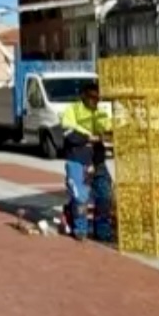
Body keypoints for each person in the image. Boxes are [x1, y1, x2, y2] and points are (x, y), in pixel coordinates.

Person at [59, 81, 114, 242]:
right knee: (80, 196)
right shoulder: (72, 110)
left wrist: (111, 129)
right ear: (83, 95)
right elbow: (68, 131)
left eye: (98, 98)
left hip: (97, 159)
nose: (95, 100)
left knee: (105, 194)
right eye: (91, 97)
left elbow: (106, 127)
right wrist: (89, 137)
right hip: (78, 159)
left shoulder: (99, 112)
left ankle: (102, 230)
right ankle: (80, 228)